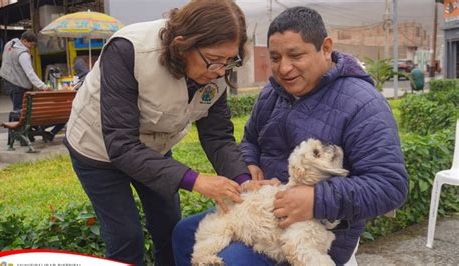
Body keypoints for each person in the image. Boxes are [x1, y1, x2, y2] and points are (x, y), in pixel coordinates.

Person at [172, 6, 409, 266]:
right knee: (184, 233)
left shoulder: (363, 104)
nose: (284, 68)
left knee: (233, 261)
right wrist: (249, 167)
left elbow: (391, 186)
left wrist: (316, 200)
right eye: (275, 58)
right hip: (260, 215)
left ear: (326, 47)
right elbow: (250, 139)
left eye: (296, 55)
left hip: (312, 232)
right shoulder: (271, 93)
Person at [64, 1, 275, 265]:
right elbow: (121, 145)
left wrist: (244, 181)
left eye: (229, 61)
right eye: (214, 61)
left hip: (153, 149)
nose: (221, 71)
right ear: (182, 44)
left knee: (170, 227)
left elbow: (218, 136)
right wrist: (196, 180)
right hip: (98, 149)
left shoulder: (219, 68)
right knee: (126, 237)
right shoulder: (129, 50)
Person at [0, 30, 50, 111]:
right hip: (18, 85)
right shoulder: (23, 55)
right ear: (24, 40)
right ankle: (18, 123)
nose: (32, 47)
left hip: (7, 81)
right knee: (21, 111)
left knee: (19, 110)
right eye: (31, 44)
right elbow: (30, 74)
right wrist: (43, 86)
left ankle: (16, 122)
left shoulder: (9, 44)